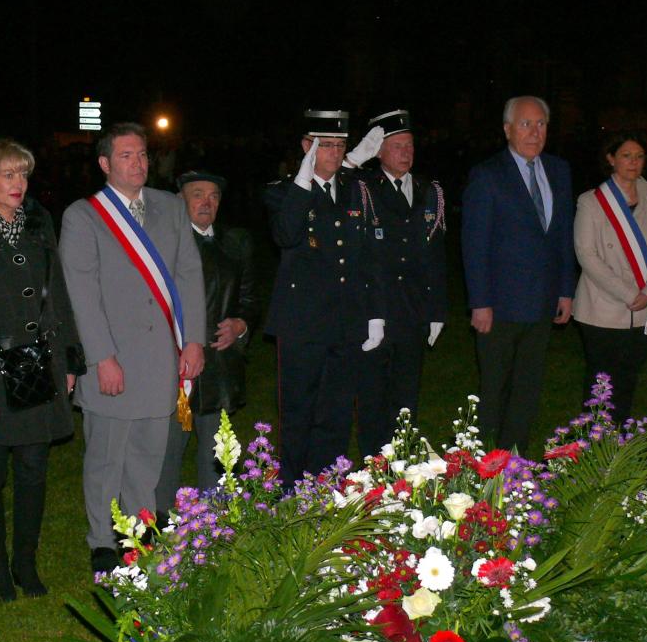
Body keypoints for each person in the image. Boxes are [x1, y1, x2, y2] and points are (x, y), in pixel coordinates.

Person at [59, 122, 206, 573]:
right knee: (107, 455)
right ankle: (103, 538)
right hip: (114, 357)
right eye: (126, 156)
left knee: (148, 450)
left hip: (161, 355)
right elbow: (81, 293)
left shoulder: (169, 207)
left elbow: (188, 274)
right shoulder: (84, 216)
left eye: (142, 154)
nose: (138, 163)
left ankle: (137, 531)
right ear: (105, 163)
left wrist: (195, 339)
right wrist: (101, 357)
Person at [0, 139, 85, 600]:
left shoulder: (38, 219)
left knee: (34, 469)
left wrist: (69, 357)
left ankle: (25, 564)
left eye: (24, 174)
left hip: (39, 363)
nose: (19, 184)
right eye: (8, 175)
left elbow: (59, 291)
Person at [264, 109, 383, 483]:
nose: (334, 153)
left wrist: (373, 313)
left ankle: (325, 484)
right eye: (325, 145)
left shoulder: (353, 189)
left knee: (335, 413)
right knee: (299, 411)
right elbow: (286, 234)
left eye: (340, 145)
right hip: (303, 325)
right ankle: (291, 489)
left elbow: (365, 258)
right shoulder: (284, 191)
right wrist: (304, 182)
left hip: (345, 323)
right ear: (306, 147)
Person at [461, 96, 576, 453]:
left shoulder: (558, 171)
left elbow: (562, 235)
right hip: (499, 307)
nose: (534, 132)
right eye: (526, 124)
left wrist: (565, 291)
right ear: (508, 129)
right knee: (494, 389)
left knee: (527, 388)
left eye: (541, 124)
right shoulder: (487, 175)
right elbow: (474, 244)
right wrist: (480, 302)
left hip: (541, 303)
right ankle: (484, 466)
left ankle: (515, 462)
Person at [343, 110, 447, 455]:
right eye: (397, 146)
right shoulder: (361, 188)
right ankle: (373, 467)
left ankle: (402, 470)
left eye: (410, 145)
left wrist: (437, 309)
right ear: (379, 152)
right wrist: (353, 160)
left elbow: (436, 256)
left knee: (406, 400)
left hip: (413, 312)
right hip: (376, 309)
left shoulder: (428, 190)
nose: (406, 152)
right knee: (373, 399)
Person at [155, 170, 258, 506]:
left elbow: (250, 298)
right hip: (174, 367)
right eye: (198, 193)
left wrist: (240, 325)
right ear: (180, 199)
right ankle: (163, 530)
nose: (206, 202)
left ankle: (212, 528)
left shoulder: (234, 242)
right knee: (168, 449)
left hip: (219, 368)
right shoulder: (162, 244)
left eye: (213, 195)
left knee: (217, 450)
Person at [573, 132, 647, 422]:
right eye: (626, 155)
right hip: (603, 308)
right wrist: (629, 294)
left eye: (639, 156)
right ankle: (594, 440)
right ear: (611, 159)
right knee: (601, 381)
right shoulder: (591, 201)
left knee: (629, 376)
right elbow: (587, 255)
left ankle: (620, 438)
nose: (633, 162)